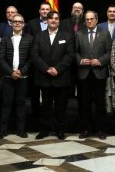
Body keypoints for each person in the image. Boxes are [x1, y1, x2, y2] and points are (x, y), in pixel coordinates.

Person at [32, 11, 75, 140]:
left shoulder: (67, 36)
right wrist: (47, 69)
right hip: (44, 77)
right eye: (51, 18)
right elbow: (34, 55)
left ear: (59, 21)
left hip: (61, 77)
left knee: (61, 107)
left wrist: (57, 69)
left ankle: (60, 130)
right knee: (45, 106)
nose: (54, 20)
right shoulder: (39, 35)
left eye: (56, 18)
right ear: (47, 20)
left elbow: (70, 55)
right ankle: (44, 130)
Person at [0, 13, 33, 139]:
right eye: (15, 21)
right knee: (6, 104)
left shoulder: (29, 39)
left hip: (23, 78)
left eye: (19, 22)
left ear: (23, 24)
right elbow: (0, 58)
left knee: (21, 104)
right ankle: (2, 130)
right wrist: (11, 72)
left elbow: (31, 59)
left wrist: (21, 72)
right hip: (8, 78)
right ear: (11, 24)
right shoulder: (5, 39)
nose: (17, 23)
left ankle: (20, 130)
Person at [76, 11, 112, 140]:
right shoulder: (80, 33)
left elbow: (109, 51)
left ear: (97, 20)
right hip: (84, 73)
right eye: (87, 19)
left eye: (92, 19)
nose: (89, 21)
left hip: (99, 73)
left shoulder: (105, 33)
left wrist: (101, 61)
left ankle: (100, 130)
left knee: (100, 103)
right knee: (85, 103)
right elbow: (75, 52)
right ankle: (86, 129)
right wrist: (80, 60)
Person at [26, 2, 52, 117]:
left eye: (47, 9)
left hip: (51, 61)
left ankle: (48, 114)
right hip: (35, 61)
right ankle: (36, 114)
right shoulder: (31, 23)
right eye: (43, 9)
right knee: (35, 90)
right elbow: (28, 41)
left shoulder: (55, 23)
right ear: (39, 11)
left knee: (49, 91)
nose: (45, 11)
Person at [98, 4, 115, 114]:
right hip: (103, 61)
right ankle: (107, 109)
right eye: (109, 11)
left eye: (114, 11)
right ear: (107, 13)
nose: (112, 13)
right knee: (105, 86)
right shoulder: (100, 26)